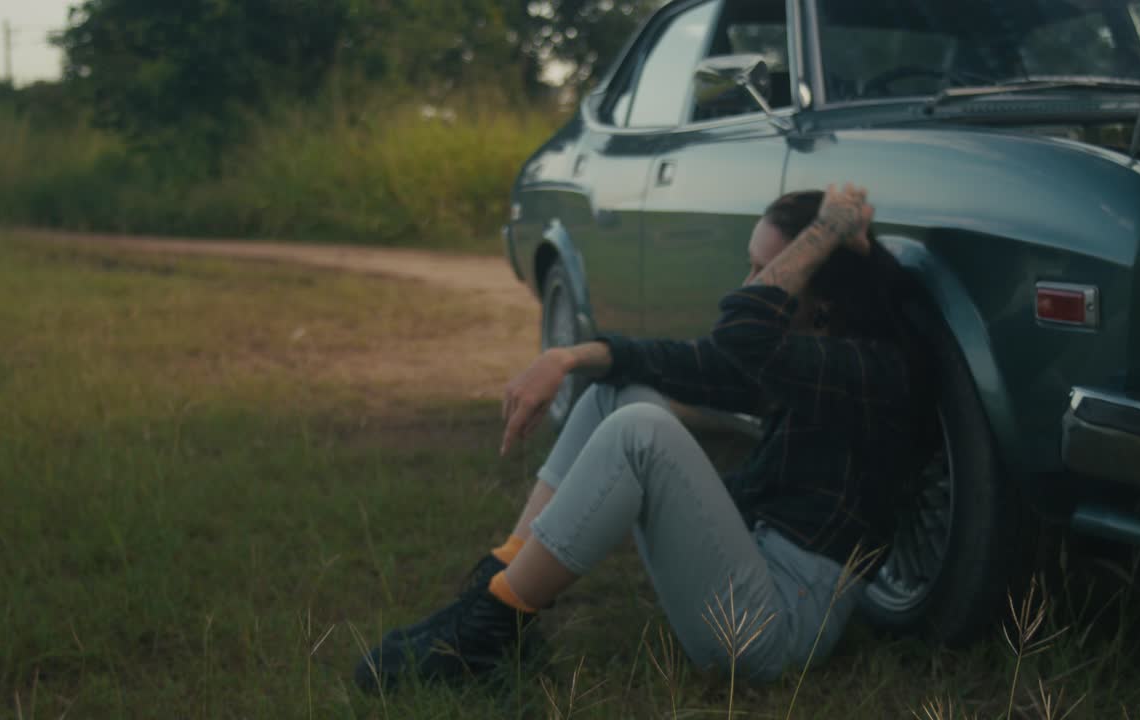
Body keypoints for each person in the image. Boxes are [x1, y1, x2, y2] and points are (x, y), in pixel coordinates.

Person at [354, 182, 934, 692]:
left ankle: (489, 630)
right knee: (616, 394)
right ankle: (494, 598)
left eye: (765, 272)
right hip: (751, 577)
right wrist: (565, 356)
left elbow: (743, 327)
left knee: (640, 432)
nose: (750, 284)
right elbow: (681, 359)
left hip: (775, 631)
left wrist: (828, 227)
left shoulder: (870, 373)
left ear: (821, 299)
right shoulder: (807, 356)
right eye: (751, 266)